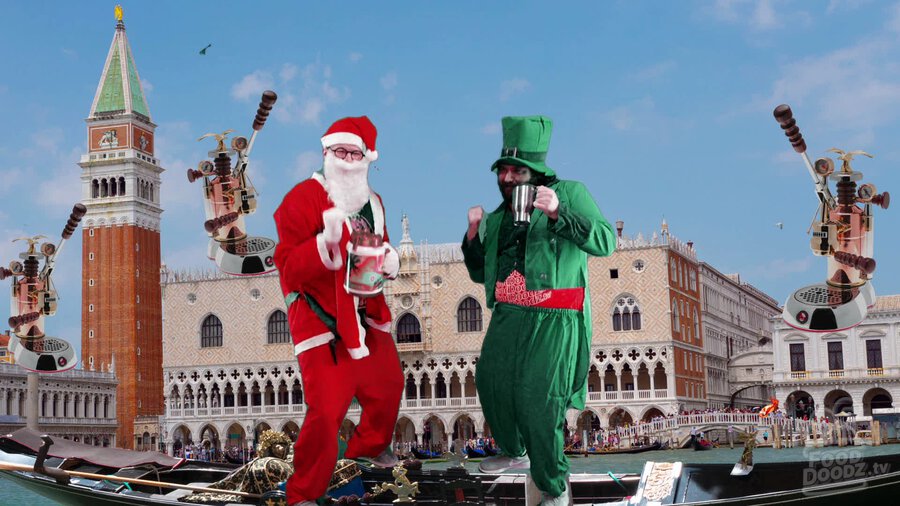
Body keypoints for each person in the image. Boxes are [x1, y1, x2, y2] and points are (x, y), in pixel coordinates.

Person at [462, 115, 616, 505]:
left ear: (536, 172)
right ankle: (514, 451)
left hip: (555, 315)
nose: (509, 178)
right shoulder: (496, 218)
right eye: (504, 170)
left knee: (540, 400)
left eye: (518, 170)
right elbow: (482, 273)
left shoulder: (569, 192)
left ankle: (552, 489)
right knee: (489, 381)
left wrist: (558, 213)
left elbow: (605, 241)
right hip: (509, 314)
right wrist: (471, 237)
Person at [273, 116, 404, 506]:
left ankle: (364, 451)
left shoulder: (373, 202)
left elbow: (379, 248)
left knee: (388, 386)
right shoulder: (302, 198)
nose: (347, 159)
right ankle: (302, 495)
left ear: (367, 158)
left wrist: (390, 259)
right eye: (340, 151)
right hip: (321, 322)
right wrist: (324, 247)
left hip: (366, 314)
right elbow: (288, 267)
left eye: (354, 153)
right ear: (327, 152)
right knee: (326, 412)